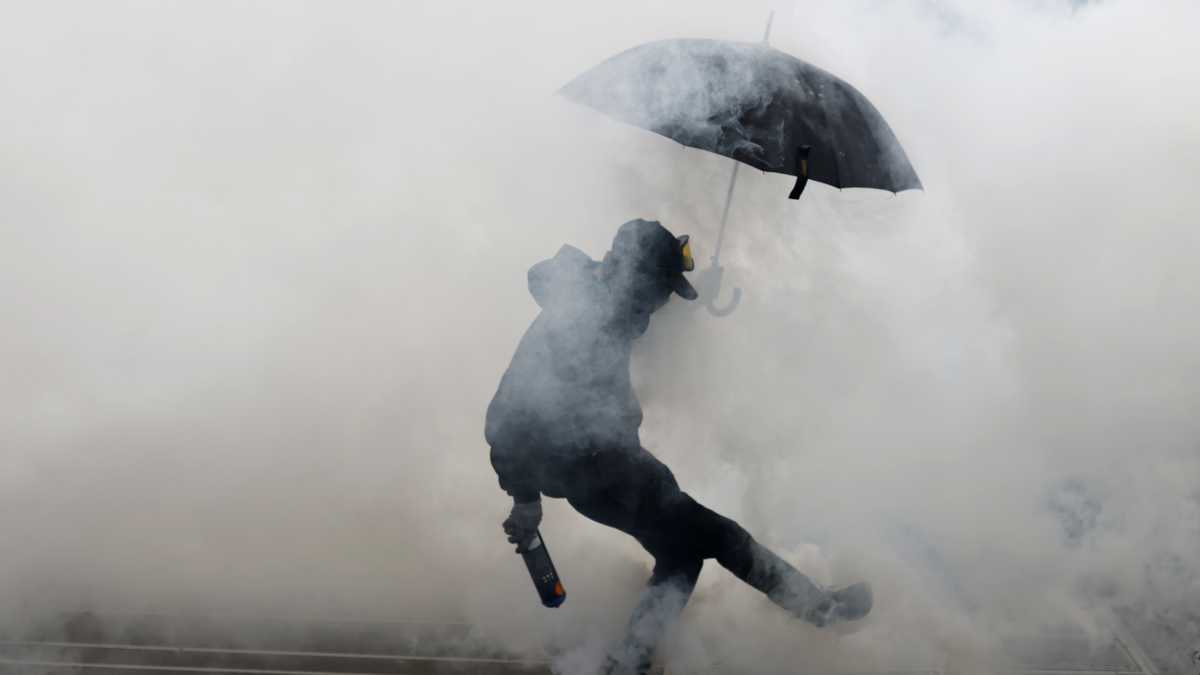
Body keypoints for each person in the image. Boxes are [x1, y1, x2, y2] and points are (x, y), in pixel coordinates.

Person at [485, 219, 872, 674]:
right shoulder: (578, 320)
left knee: (682, 554)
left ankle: (630, 662)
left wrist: (698, 296)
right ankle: (818, 609)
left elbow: (638, 320)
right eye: (663, 287)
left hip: (616, 465)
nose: (665, 299)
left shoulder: (602, 301)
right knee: (718, 535)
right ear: (637, 276)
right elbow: (507, 416)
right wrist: (525, 498)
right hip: (597, 472)